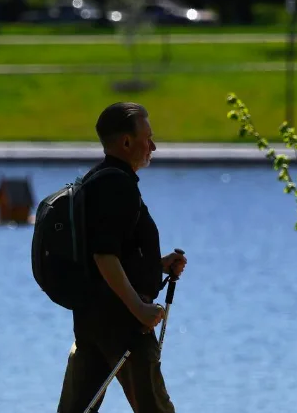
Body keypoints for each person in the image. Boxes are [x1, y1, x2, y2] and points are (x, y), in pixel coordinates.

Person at [57, 102, 187, 413]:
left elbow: (107, 257)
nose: (153, 146)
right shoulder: (117, 185)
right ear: (127, 142)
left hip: (91, 321)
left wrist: (156, 266)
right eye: (148, 137)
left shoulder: (95, 179)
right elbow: (104, 257)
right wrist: (141, 310)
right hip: (124, 324)